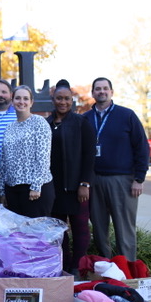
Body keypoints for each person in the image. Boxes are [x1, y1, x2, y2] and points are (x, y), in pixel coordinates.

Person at [83, 77, 149, 261]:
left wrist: (139, 179)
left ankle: (127, 268)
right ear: (93, 93)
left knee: (124, 228)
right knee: (99, 228)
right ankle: (106, 265)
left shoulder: (126, 115)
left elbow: (142, 147)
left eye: (105, 88)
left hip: (122, 180)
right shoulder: (85, 119)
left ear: (111, 92)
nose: (101, 91)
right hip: (94, 180)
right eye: (98, 89)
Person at [46, 79, 96, 275]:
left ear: (72, 100)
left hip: (76, 187)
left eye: (67, 98)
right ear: (53, 99)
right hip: (54, 187)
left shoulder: (81, 123)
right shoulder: (47, 123)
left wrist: (85, 183)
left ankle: (77, 267)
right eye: (59, 98)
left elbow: (89, 155)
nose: (63, 102)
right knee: (59, 230)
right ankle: (64, 266)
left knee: (80, 228)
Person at [0, 85, 54, 217]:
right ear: (12, 101)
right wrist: (2, 191)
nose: (21, 102)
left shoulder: (39, 123)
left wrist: (36, 186)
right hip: (12, 189)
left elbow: (43, 156)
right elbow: (4, 160)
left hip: (34, 190)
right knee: (17, 229)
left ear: (31, 102)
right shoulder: (9, 127)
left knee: (34, 229)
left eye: (25, 98)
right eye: (18, 98)